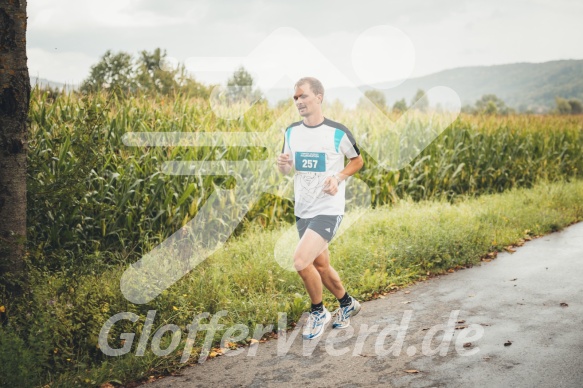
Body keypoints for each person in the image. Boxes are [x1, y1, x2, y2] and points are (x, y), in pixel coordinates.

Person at [277, 77, 364, 340]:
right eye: (295, 98)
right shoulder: (291, 131)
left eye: (303, 96)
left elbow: (357, 161)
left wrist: (338, 178)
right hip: (303, 209)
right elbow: (287, 168)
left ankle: (318, 311)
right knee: (321, 265)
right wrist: (282, 165)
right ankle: (347, 303)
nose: (299, 102)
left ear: (318, 97)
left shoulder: (338, 132)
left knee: (301, 261)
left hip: (328, 208)